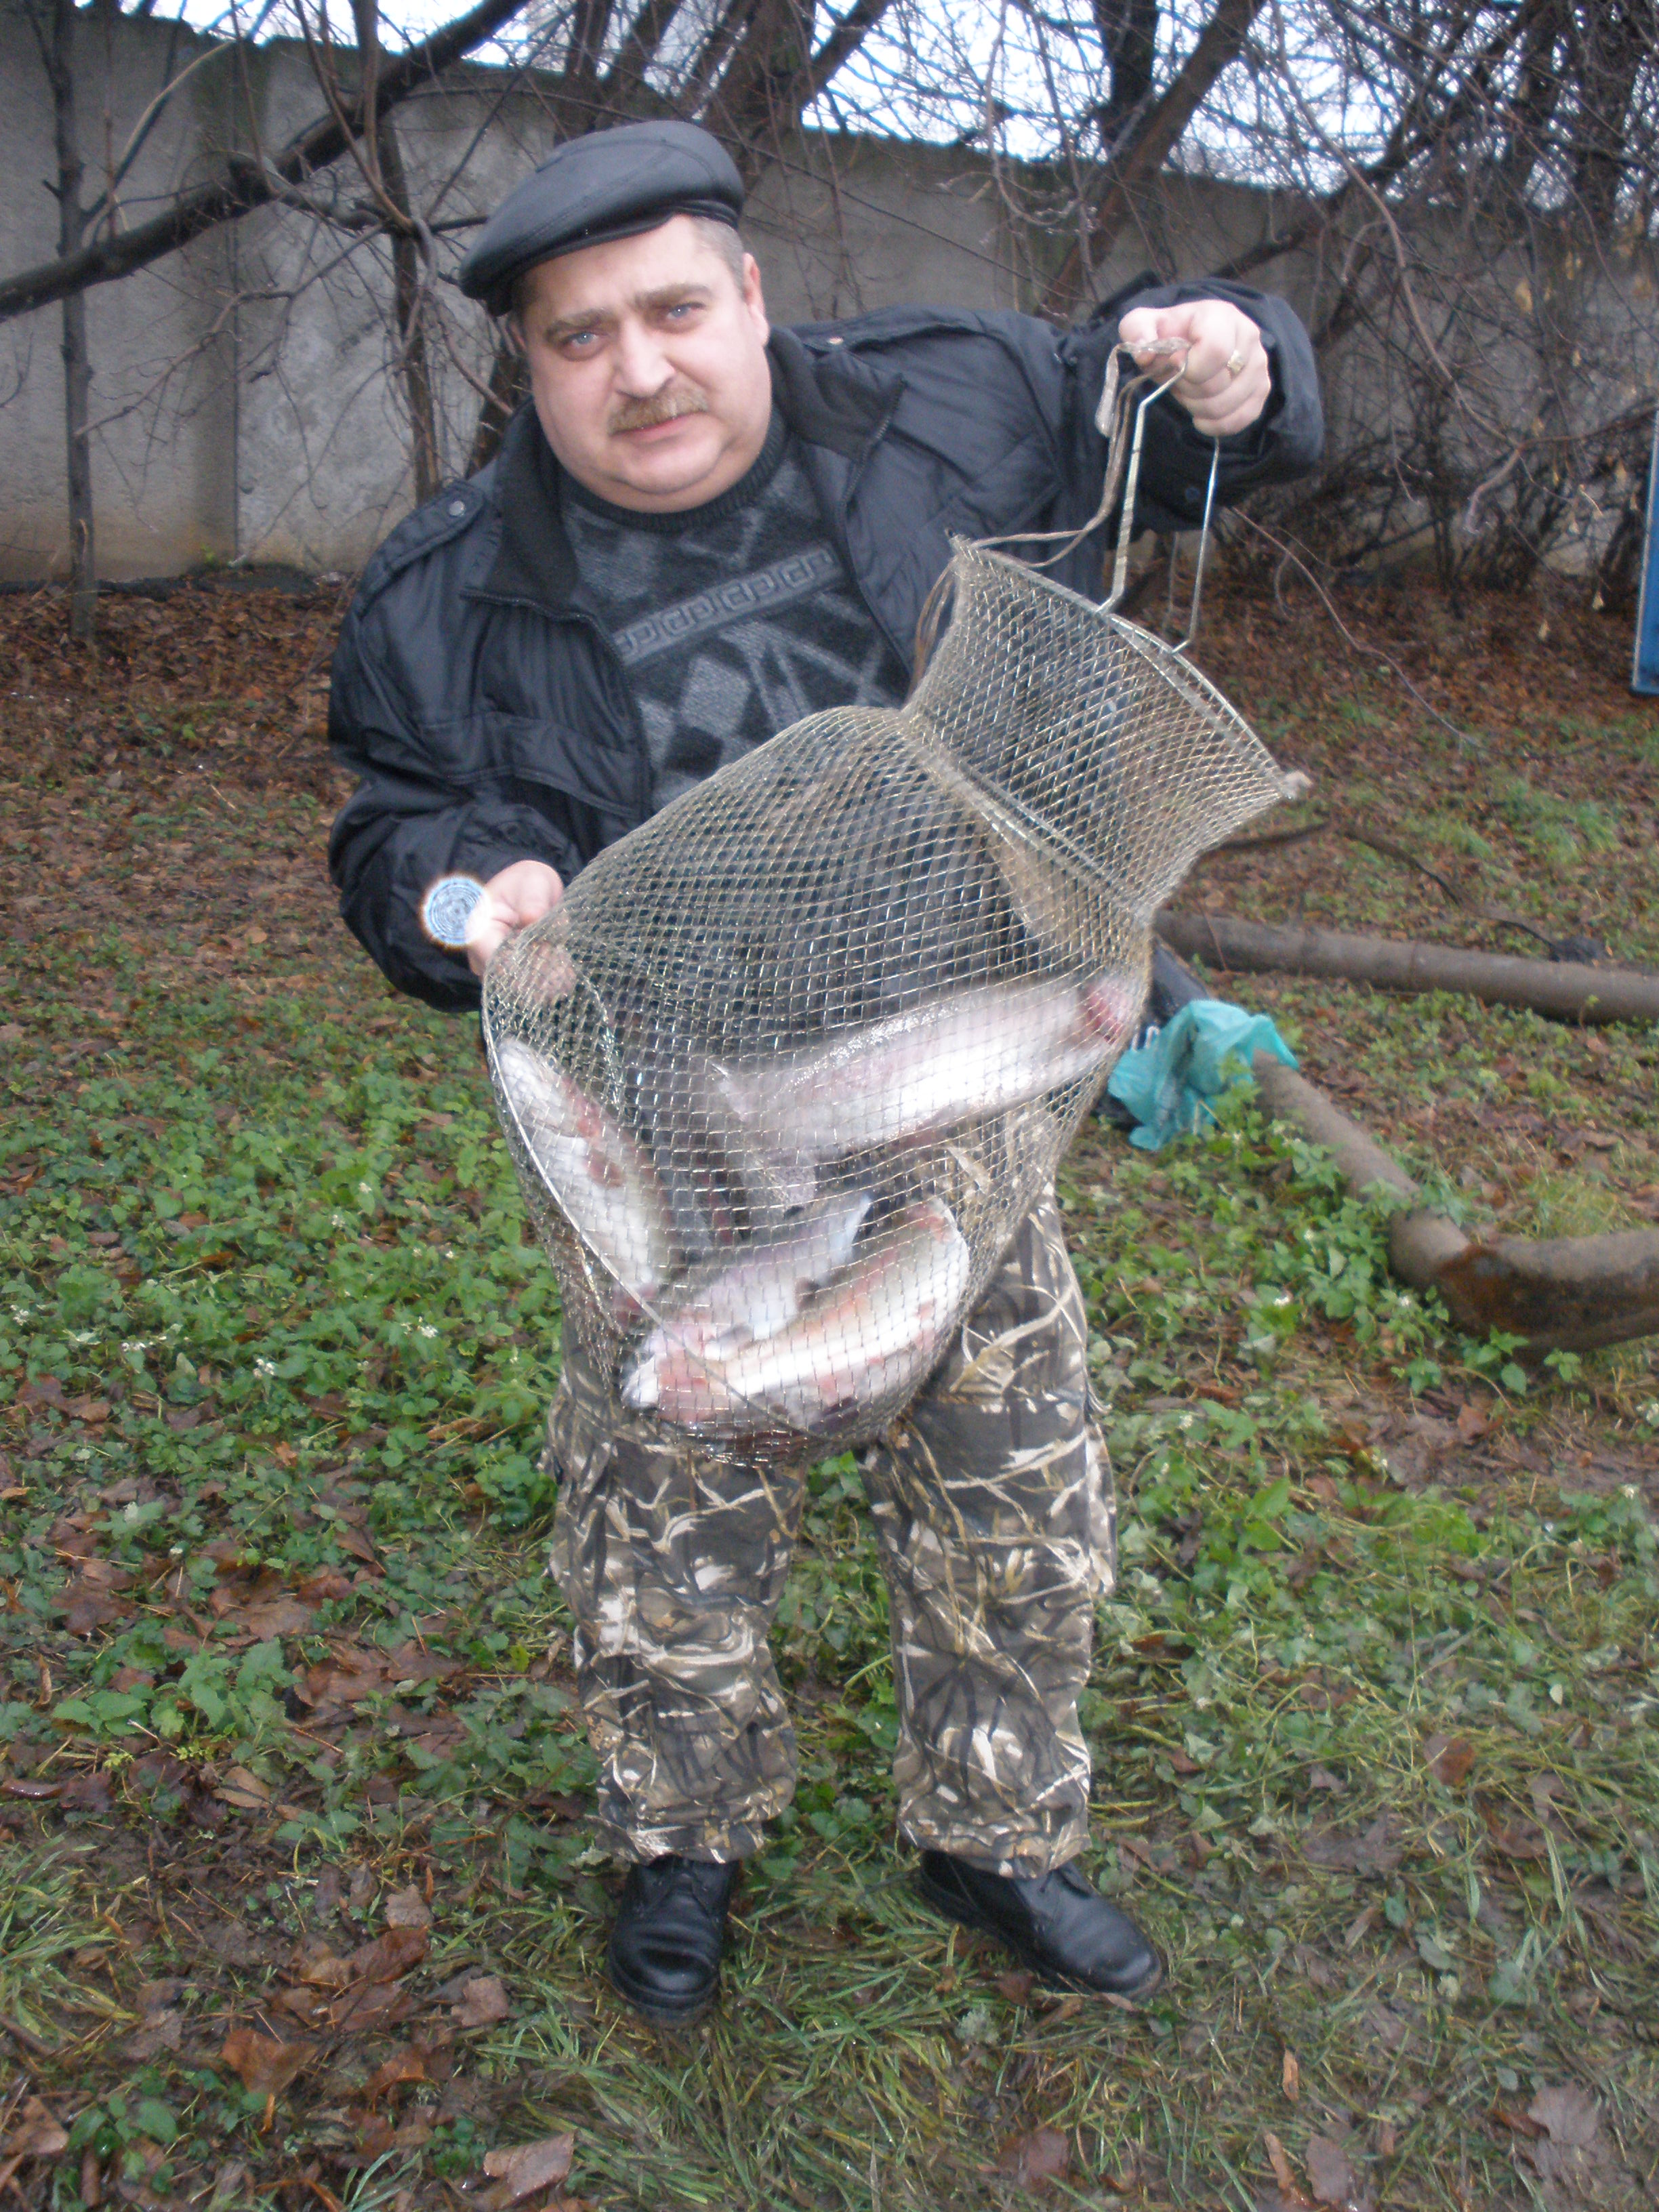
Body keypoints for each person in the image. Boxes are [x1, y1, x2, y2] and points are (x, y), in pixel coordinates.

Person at [329, 120, 1323, 2026]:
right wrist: (464, 896)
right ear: (528, 362)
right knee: (664, 1491)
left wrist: (1238, 351)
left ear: (753, 294)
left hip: (961, 1080)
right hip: (682, 1120)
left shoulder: (939, 407)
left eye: (674, 311)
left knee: (1016, 1484)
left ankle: (996, 1835)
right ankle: (683, 1837)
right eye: (580, 336)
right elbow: (398, 826)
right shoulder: (444, 592)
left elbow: (1151, 395)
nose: (640, 370)